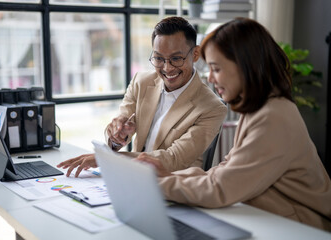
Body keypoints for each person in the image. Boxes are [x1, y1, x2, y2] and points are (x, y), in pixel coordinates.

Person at [137, 17, 331, 231]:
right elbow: (224, 171)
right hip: (270, 219)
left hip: (301, 228)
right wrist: (169, 177)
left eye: (216, 69)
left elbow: (220, 188)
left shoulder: (274, 117)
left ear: (244, 67)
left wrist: (153, 185)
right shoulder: (259, 110)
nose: (210, 78)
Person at [57, 17, 227, 177]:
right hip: (134, 178)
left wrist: (109, 160)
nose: (167, 68)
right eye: (159, 58)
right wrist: (118, 136)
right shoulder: (142, 82)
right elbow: (115, 132)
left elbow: (173, 159)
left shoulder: (212, 108)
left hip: (174, 189)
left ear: (195, 54)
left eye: (176, 58)